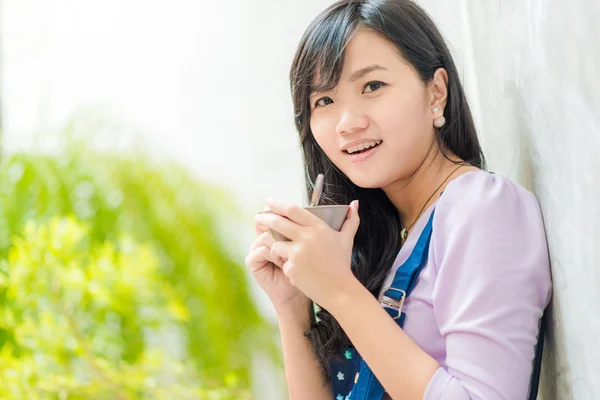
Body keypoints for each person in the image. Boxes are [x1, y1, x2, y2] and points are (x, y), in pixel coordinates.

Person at [245, 1, 552, 399]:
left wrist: (339, 290)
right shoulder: (388, 237)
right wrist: (294, 305)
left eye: (372, 86)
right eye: (324, 101)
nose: (347, 122)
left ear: (435, 92)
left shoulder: (482, 208)